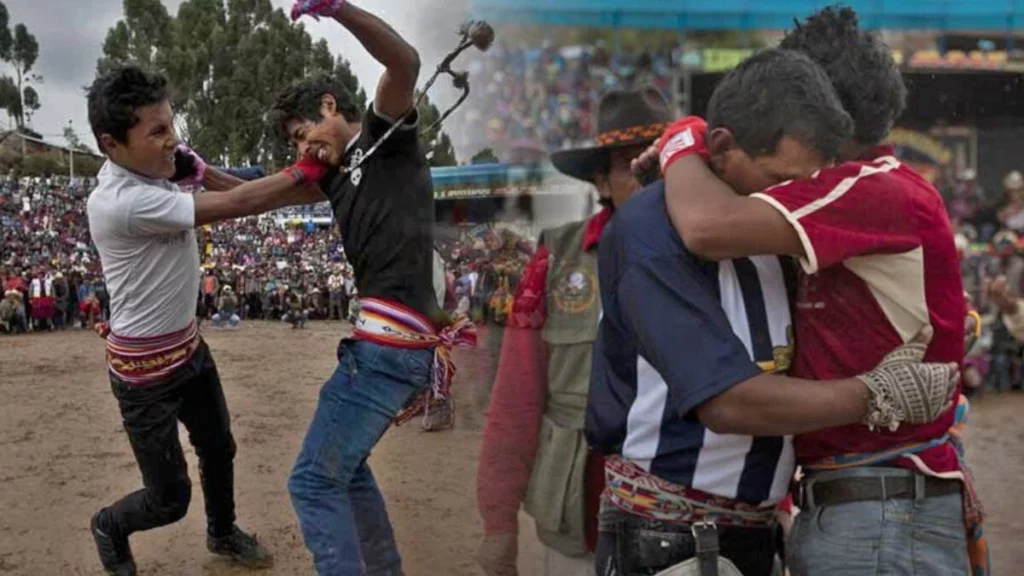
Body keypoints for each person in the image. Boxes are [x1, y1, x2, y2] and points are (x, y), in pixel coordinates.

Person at [587, 48, 960, 576]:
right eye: (782, 175)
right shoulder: (654, 227)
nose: (796, 193)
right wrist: (872, 395)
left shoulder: (767, 224)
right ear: (722, 147)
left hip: (755, 530)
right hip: (668, 536)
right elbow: (727, 402)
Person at [85, 65, 327, 576]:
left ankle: (222, 533)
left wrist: (197, 167)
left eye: (171, 125)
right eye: (156, 132)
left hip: (189, 351)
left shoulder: (156, 169)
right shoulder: (123, 201)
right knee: (169, 499)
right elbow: (239, 200)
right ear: (111, 144)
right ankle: (110, 525)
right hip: (144, 375)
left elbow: (226, 183)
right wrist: (308, 173)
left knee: (219, 448)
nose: (172, 140)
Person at [274, 2, 474, 573]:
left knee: (312, 482)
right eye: (294, 143)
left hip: (388, 350)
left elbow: (405, 61)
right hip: (390, 347)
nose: (302, 148)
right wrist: (194, 174)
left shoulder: (384, 136)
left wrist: (336, 9)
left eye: (302, 131)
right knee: (346, 470)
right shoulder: (334, 178)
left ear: (331, 106)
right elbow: (249, 193)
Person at [475, 86, 673, 576]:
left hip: (687, 522)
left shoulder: (719, 258)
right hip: (581, 523)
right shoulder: (555, 260)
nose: (652, 181)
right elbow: (517, 396)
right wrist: (498, 524)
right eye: (633, 164)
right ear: (601, 179)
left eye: (663, 164)